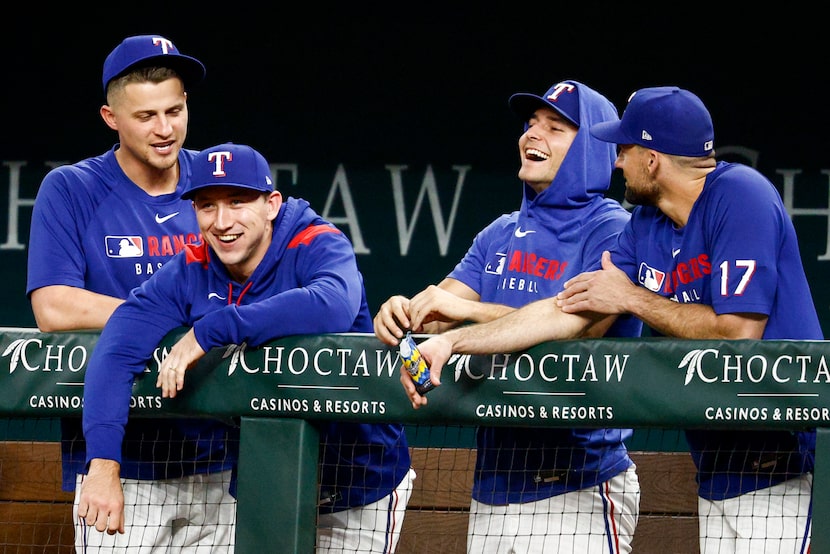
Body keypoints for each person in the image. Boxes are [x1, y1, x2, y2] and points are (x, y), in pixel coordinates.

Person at [413, 87, 818, 554]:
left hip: (791, 462)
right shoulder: (646, 224)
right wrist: (453, 344)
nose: (617, 161)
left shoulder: (739, 194)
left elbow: (739, 334)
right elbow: (564, 311)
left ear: (653, 159)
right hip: (720, 468)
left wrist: (633, 298)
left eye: (625, 149)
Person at [78, 143, 414, 553]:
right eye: (207, 206)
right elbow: (115, 351)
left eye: (237, 202)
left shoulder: (315, 242)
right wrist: (103, 464)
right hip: (264, 481)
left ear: (271, 204)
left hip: (359, 482)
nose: (222, 222)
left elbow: (333, 304)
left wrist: (214, 328)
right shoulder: (191, 269)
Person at [375, 80, 642, 553]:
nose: (532, 135)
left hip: (576, 479)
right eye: (531, 124)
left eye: (555, 127)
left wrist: (464, 314)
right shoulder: (500, 232)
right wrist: (402, 314)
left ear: (588, 149)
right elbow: (436, 310)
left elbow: (580, 326)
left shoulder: (613, 230)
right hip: (495, 481)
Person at [25, 34, 224, 551]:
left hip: (224, 459)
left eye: (174, 111)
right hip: (123, 463)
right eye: (146, 117)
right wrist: (159, 318)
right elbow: (53, 306)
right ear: (111, 118)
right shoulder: (71, 188)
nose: (165, 130)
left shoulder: (217, 186)